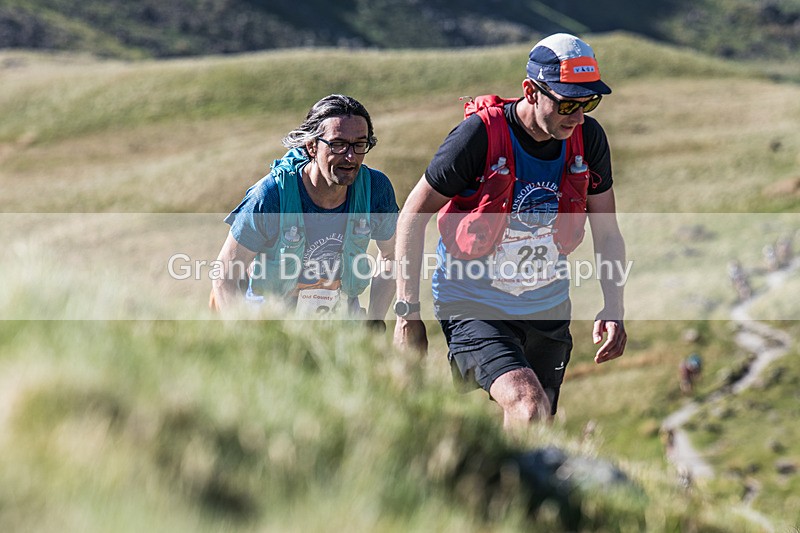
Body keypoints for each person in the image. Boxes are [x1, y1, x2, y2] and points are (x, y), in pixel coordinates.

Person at [393, 33, 627, 428]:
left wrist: (614, 307)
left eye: (588, 103)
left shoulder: (588, 139)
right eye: (567, 103)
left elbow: (607, 232)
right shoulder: (478, 135)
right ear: (531, 92)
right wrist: (407, 313)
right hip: (473, 303)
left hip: (547, 306)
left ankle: (487, 469)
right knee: (528, 405)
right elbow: (413, 215)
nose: (577, 117)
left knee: (539, 423)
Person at [211, 94, 398, 323]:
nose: (350, 157)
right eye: (338, 144)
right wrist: (243, 335)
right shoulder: (271, 195)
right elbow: (225, 275)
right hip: (271, 327)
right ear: (311, 146)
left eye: (359, 144)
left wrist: (375, 320)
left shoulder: (375, 190)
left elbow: (391, 256)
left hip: (342, 329)